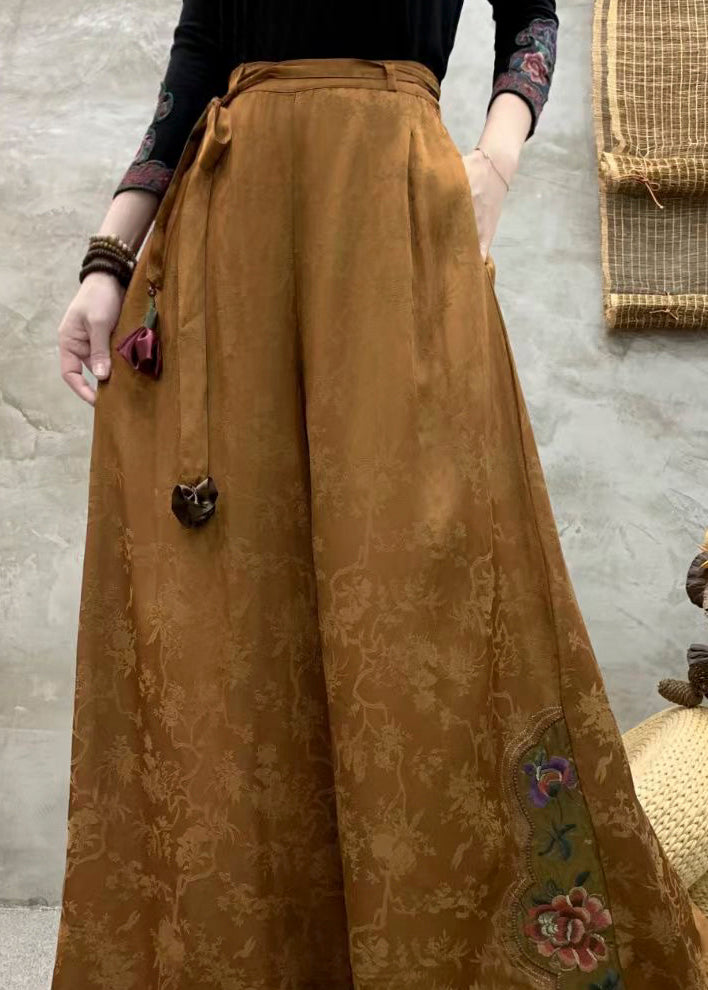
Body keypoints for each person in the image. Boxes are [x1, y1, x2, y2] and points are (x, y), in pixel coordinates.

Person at [52, 3, 707, 988]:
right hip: (231, 240)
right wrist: (107, 260)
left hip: (391, 218)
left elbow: (531, 13)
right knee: (236, 612)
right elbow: (199, 52)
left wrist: (493, 164)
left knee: (415, 596)